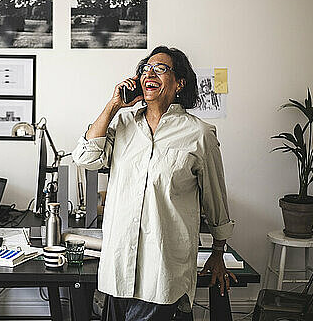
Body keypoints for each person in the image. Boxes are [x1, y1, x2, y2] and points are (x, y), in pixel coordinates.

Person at [72, 46, 236, 321]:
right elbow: (84, 157)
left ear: (180, 82)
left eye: (160, 68)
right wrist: (113, 105)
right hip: (118, 270)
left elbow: (215, 198)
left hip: (163, 272)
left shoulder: (199, 134)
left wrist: (218, 252)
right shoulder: (122, 123)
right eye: (145, 69)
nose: (149, 73)